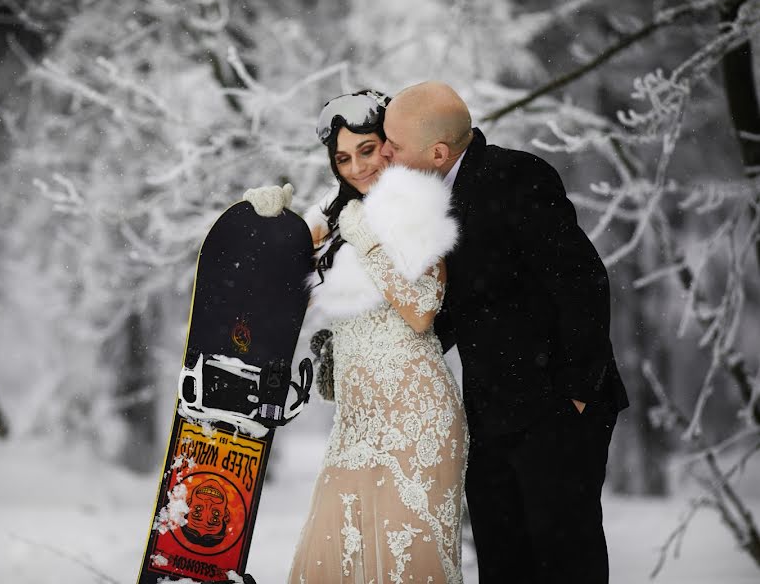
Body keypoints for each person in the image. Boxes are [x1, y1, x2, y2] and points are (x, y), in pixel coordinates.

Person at [380, 81, 630, 584]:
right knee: (502, 563)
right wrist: (377, 346)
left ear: (437, 152)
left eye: (393, 144)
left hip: (555, 411)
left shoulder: (516, 177)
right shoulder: (430, 197)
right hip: (491, 417)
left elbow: (581, 280)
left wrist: (575, 395)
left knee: (564, 564)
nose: (384, 153)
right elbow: (455, 305)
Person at [244, 90, 469, 583]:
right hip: (356, 424)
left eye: (367, 150)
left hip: (417, 421)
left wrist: (366, 238)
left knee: (407, 570)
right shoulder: (337, 218)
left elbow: (421, 309)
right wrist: (266, 230)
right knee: (326, 569)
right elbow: (275, 295)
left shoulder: (417, 205)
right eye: (343, 158)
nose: (357, 168)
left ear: (388, 145)